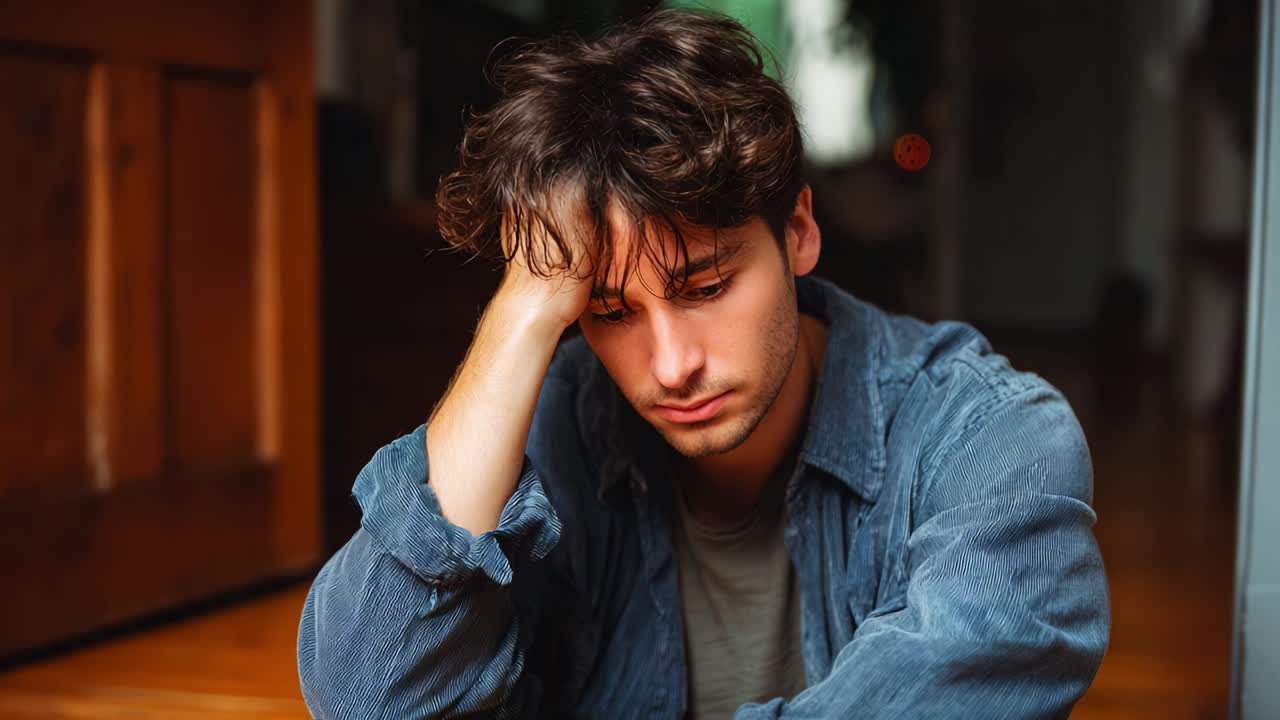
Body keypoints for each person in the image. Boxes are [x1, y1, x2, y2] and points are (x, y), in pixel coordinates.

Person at [297, 9, 1110, 719]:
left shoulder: (987, 436)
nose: (673, 365)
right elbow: (371, 696)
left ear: (797, 234)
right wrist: (524, 309)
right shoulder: (556, 422)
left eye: (707, 286)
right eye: (610, 313)